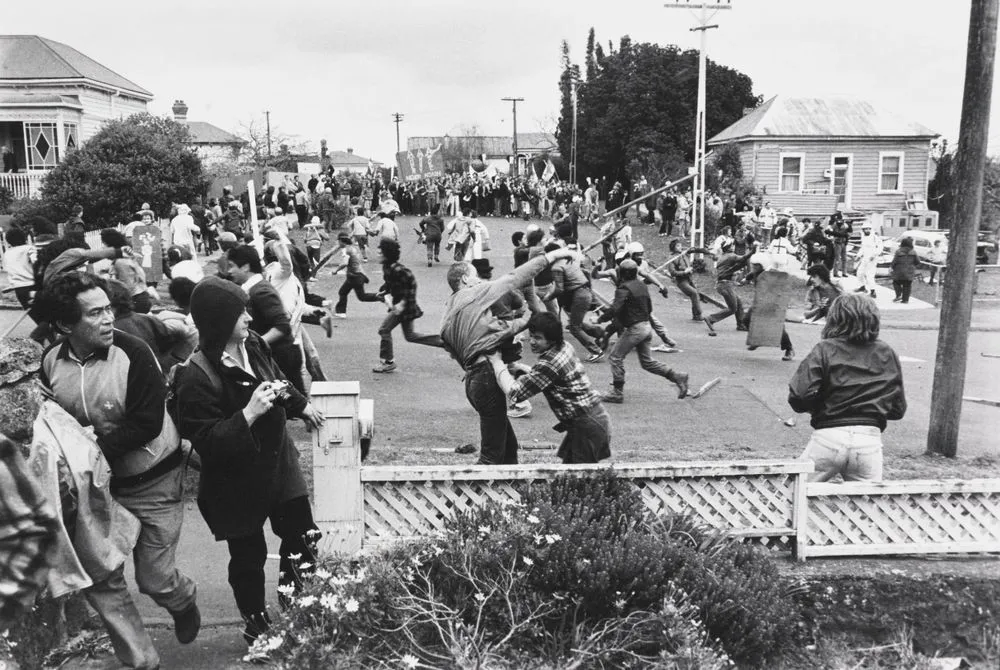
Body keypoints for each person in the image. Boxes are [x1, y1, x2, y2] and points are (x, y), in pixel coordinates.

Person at [35, 273, 201, 649]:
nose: (108, 319)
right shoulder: (51, 361)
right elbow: (54, 419)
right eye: (95, 313)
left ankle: (182, 599)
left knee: (155, 579)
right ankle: (140, 656)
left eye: (108, 309)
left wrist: (91, 451)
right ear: (65, 325)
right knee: (104, 576)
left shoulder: (134, 353)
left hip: (153, 479)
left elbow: (146, 423)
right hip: (97, 488)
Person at [171, 276, 325, 645]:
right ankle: (257, 627)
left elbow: (277, 377)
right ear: (218, 321)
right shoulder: (195, 376)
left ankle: (297, 611)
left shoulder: (252, 343)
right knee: (248, 557)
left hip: (279, 464)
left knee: (302, 536)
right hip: (235, 481)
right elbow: (207, 442)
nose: (249, 318)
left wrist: (300, 406)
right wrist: (248, 414)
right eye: (240, 312)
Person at [440, 245, 580, 464]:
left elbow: (455, 347)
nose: (480, 281)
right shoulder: (475, 293)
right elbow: (514, 278)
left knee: (508, 447)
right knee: (491, 455)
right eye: (476, 277)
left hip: (473, 381)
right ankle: (469, 497)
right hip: (485, 378)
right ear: (466, 279)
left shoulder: (449, 312)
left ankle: (509, 494)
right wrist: (554, 255)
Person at [789, 293, 906, 482]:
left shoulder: (825, 349)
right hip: (869, 439)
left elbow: (799, 396)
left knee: (795, 492)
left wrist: (820, 406)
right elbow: (897, 409)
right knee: (867, 505)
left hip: (829, 435)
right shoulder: (886, 352)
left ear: (834, 318)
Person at [488, 312, 611, 464]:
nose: (532, 341)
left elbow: (515, 392)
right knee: (570, 477)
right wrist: (520, 369)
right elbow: (550, 377)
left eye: (538, 338)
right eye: (531, 335)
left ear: (552, 339)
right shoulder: (565, 346)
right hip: (593, 418)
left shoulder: (549, 363)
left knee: (578, 480)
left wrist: (497, 362)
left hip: (586, 425)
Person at [600, 260, 690, 404]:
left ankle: (617, 393)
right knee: (647, 362)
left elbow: (615, 309)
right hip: (646, 327)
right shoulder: (642, 285)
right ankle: (677, 376)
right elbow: (649, 308)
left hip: (636, 329)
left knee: (615, 357)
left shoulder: (623, 289)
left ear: (622, 274)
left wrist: (599, 319)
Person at [222, 245, 306, 395]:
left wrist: (254, 343)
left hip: (282, 358)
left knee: (294, 406)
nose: (229, 271)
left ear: (246, 267)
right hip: (275, 357)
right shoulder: (251, 288)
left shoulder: (261, 291)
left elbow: (282, 326)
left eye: (232, 266)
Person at [370, 239, 444, 373]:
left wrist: (402, 303)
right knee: (410, 336)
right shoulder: (387, 267)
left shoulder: (399, 269)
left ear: (387, 254)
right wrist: (385, 290)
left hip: (405, 307)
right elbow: (390, 283)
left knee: (384, 330)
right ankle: (444, 342)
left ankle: (388, 362)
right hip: (400, 307)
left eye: (380, 253)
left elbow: (412, 284)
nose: (377, 254)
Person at [540, 241, 605, 361]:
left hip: (579, 295)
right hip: (584, 292)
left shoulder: (556, 267)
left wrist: (548, 297)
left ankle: (596, 351)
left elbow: (559, 289)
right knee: (576, 323)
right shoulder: (568, 260)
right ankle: (600, 333)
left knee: (574, 327)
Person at [703, 241, 755, 336]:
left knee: (738, 302)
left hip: (722, 285)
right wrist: (752, 252)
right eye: (732, 245)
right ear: (729, 247)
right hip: (725, 285)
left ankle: (741, 324)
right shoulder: (731, 256)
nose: (733, 246)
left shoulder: (722, 256)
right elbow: (743, 258)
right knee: (732, 308)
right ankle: (711, 318)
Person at [665, 238, 716, 321]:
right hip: (681, 281)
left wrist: (708, 252)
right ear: (673, 247)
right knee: (694, 293)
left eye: (680, 245)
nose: (680, 247)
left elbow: (695, 250)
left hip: (689, 278)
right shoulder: (672, 258)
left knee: (695, 296)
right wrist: (684, 272)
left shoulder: (684, 253)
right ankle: (699, 315)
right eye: (677, 246)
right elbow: (673, 272)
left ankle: (695, 315)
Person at [331, 233, 378, 317]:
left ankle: (341, 312)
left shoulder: (346, 250)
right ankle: (340, 312)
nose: (338, 244)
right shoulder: (353, 248)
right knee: (359, 296)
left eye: (338, 241)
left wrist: (336, 270)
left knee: (344, 293)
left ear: (342, 241)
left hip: (354, 276)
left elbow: (344, 263)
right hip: (358, 275)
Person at [3, 227, 36, 309]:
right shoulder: (28, 248)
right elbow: (36, 261)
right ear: (23, 237)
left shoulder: (7, 254)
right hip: (33, 285)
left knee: (35, 315)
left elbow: (8, 269)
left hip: (19, 290)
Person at [854, 222, 883, 298]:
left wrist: (874, 255)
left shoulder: (875, 237)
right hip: (865, 259)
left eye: (868, 229)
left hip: (872, 259)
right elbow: (863, 248)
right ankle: (862, 287)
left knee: (869, 275)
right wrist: (858, 256)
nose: (867, 230)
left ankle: (873, 291)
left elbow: (880, 247)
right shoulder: (863, 237)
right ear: (863, 230)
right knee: (859, 273)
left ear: (871, 229)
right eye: (865, 229)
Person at [891, 236, 918, 304]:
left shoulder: (898, 251)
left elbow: (894, 261)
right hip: (909, 271)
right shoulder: (913, 252)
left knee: (896, 282)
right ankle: (905, 300)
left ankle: (899, 295)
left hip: (899, 271)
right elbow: (918, 261)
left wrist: (891, 267)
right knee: (907, 285)